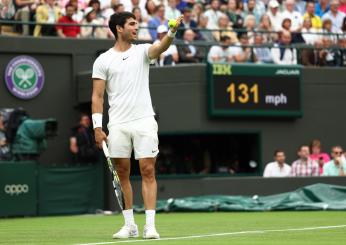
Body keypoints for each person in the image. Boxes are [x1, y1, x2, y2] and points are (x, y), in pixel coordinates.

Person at [91, 11, 183, 239]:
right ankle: (129, 225)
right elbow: (97, 97)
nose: (136, 27)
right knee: (122, 173)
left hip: (144, 121)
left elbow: (160, 48)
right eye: (132, 24)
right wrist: (97, 127)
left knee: (147, 170)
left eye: (137, 23)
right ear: (119, 28)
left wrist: (171, 32)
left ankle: (150, 226)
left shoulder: (143, 51)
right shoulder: (103, 60)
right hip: (118, 124)